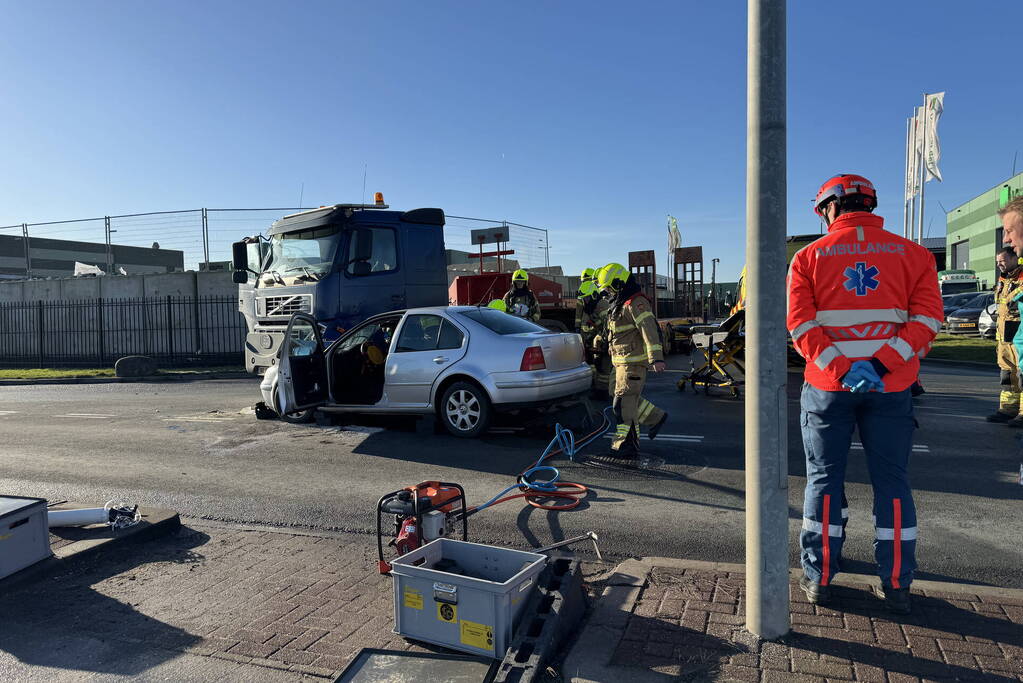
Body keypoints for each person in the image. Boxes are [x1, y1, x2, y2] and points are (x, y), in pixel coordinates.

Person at [787, 174, 942, 615]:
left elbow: (800, 325)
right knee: (893, 484)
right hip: (891, 387)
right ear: (870, 205)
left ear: (828, 209)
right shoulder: (913, 254)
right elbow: (928, 319)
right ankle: (896, 584)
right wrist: (878, 365)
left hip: (828, 389)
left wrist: (844, 368)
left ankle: (819, 578)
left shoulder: (808, 258)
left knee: (824, 481)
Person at [597, 263, 669, 456]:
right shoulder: (619, 304)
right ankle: (656, 417)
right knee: (622, 399)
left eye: (609, 288)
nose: (607, 292)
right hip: (619, 362)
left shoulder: (635, 302)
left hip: (632, 363)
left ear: (619, 284)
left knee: (622, 405)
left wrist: (656, 358)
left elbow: (649, 328)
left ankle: (626, 445)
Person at [987, 246, 1023, 425]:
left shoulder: (1021, 278)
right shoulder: (1005, 279)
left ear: (1014, 258)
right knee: (1007, 375)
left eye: (1002, 260)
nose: (999, 264)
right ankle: (1008, 409)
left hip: (1018, 332)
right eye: (997, 262)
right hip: (1004, 335)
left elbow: (1014, 300)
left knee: (1022, 373)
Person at [577, 279, 612, 396]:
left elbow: (608, 325)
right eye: (584, 299)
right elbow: (588, 327)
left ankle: (603, 392)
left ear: (594, 295)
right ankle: (598, 388)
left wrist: (606, 341)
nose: (585, 301)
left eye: (587, 298)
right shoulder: (589, 309)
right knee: (597, 365)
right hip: (597, 343)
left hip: (608, 342)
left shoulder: (603, 305)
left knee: (604, 368)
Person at [575, 267, 598, 333]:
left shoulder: (598, 293)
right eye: (583, 281)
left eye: (586, 280)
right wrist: (577, 326)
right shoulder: (582, 295)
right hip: (585, 328)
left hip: (597, 327)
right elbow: (578, 313)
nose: (584, 283)